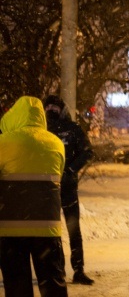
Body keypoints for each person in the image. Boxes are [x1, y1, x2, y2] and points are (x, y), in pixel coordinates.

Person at [0, 96, 68, 297]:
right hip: (47, 229)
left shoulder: (3, 143)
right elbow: (59, 175)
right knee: (54, 287)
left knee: (17, 288)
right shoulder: (56, 144)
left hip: (11, 230)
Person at [43, 95, 95, 285]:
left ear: (61, 109)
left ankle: (78, 270)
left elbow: (87, 151)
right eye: (47, 106)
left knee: (74, 230)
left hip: (68, 189)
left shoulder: (72, 129)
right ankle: (57, 270)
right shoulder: (42, 130)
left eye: (54, 106)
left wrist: (71, 169)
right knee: (52, 232)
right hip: (48, 189)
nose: (51, 109)